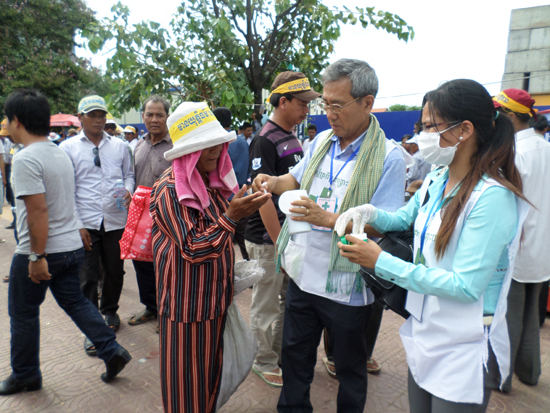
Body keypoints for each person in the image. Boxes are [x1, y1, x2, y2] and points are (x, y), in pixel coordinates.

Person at [335, 79, 528, 412]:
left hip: (464, 343)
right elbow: (404, 219)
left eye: (430, 127)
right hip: (427, 328)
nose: (421, 136)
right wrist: (367, 212)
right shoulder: (439, 178)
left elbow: (466, 286)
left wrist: (381, 261)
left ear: (464, 129)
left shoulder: (492, 197)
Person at [251, 59, 406, 411]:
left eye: (338, 105)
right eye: (325, 104)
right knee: (294, 360)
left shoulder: (389, 156)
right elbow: (296, 178)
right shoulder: (322, 141)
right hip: (305, 276)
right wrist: (273, 182)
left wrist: (328, 218)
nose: (329, 113)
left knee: (349, 370)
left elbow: (385, 223)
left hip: (347, 287)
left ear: (367, 103)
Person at [0, 90, 131, 396]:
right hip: (71, 246)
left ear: (17, 121)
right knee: (76, 302)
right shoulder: (60, 151)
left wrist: (36, 255)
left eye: (7, 119)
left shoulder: (26, 158)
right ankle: (111, 350)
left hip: (43, 250)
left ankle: (26, 374)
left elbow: (37, 210)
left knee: (23, 313)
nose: (7, 125)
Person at [151, 101, 271, 413]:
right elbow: (193, 248)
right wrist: (232, 217)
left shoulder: (211, 185)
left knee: (207, 385)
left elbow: (219, 235)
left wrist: (239, 208)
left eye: (218, 144)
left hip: (214, 303)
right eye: (207, 146)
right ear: (187, 153)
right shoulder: (169, 190)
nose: (216, 151)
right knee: (184, 391)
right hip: (185, 308)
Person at [246, 71, 321, 388]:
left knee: (286, 302)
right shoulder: (264, 139)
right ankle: (262, 361)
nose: (307, 110)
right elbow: (263, 197)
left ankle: (276, 356)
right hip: (268, 238)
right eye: (302, 103)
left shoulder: (291, 136)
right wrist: (279, 242)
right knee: (266, 303)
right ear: (284, 101)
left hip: (289, 235)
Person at [60, 95, 135, 354]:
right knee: (88, 277)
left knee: (115, 271)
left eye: (102, 115)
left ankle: (110, 311)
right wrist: (77, 224)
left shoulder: (119, 146)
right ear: (80, 118)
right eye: (92, 115)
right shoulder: (67, 148)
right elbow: (66, 189)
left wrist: (128, 190)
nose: (98, 119)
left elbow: (129, 175)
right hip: (86, 222)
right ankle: (92, 327)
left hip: (115, 219)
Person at [492, 88, 550, 392]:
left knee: (507, 315)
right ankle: (529, 372)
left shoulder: (514, 151)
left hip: (516, 245)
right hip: (541, 248)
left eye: (500, 113)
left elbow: (506, 202)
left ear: (512, 116)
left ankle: (501, 377)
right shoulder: (545, 148)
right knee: (531, 315)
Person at [128, 95, 173, 327]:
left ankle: (167, 312)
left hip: (167, 215)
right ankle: (151, 307)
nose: (154, 119)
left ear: (167, 116)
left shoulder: (176, 146)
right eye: (149, 114)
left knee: (165, 264)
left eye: (159, 114)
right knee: (142, 264)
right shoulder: (138, 144)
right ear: (143, 116)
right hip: (139, 216)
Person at [213, 106, 250, 260]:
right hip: (240, 196)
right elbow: (244, 171)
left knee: (221, 240)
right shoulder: (241, 141)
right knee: (243, 240)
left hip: (219, 199)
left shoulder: (216, 141)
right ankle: (253, 274)